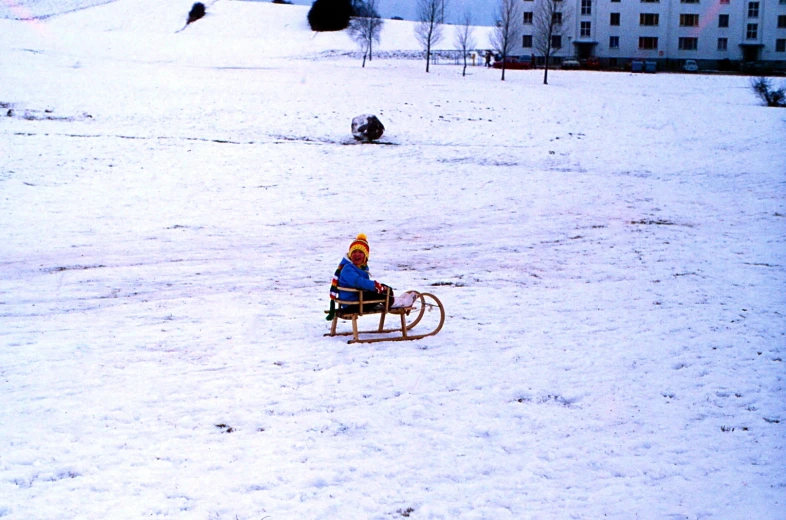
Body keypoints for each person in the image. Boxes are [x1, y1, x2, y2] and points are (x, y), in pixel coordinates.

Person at [326, 233, 393, 318]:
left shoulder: (361, 267)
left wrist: (377, 287)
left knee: (385, 288)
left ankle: (394, 301)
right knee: (384, 291)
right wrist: (375, 285)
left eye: (361, 252)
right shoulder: (347, 268)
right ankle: (396, 303)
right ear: (350, 254)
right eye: (354, 252)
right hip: (352, 305)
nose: (357, 254)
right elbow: (357, 281)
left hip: (357, 299)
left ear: (365, 256)